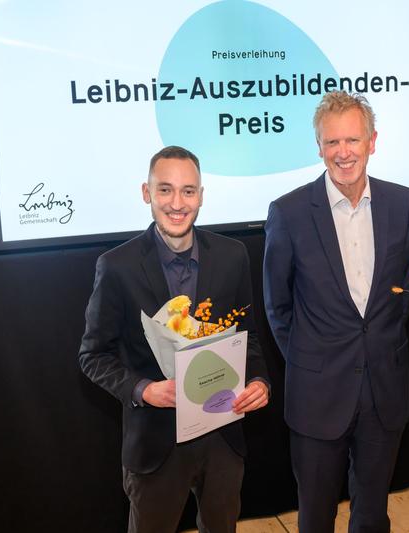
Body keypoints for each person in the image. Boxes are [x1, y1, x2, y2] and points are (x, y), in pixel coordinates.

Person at [78, 146, 270, 533]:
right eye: (165, 190)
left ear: (201, 195)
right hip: (155, 444)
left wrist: (260, 382)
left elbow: (247, 339)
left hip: (222, 438)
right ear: (146, 193)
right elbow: (92, 355)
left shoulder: (233, 256)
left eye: (188, 191)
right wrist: (143, 389)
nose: (177, 203)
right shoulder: (117, 266)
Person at [263, 91, 409, 532]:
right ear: (318, 147)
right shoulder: (288, 212)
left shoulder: (402, 202)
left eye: (353, 140)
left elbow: (404, 289)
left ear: (373, 141)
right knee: (316, 516)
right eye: (332, 143)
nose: (343, 152)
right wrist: (312, 357)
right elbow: (278, 307)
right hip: (317, 393)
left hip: (383, 391)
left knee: (372, 514)